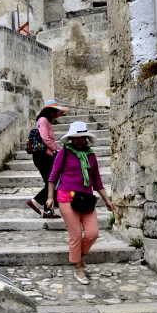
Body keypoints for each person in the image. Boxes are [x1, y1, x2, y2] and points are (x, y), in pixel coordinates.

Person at [46, 121, 118, 285]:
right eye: (76, 138)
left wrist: (107, 201)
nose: (79, 141)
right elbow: (53, 176)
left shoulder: (91, 156)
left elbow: (97, 181)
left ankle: (78, 256)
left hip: (86, 199)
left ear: (86, 138)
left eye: (82, 138)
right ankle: (78, 268)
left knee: (92, 233)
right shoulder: (64, 153)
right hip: (66, 198)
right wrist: (50, 197)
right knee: (76, 234)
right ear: (71, 138)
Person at [26, 100, 68, 219]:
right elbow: (44, 137)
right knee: (53, 181)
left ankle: (49, 210)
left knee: (50, 181)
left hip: (44, 155)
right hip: (43, 155)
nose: (55, 114)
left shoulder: (44, 121)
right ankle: (35, 201)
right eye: (54, 111)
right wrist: (54, 148)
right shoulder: (43, 120)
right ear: (49, 111)